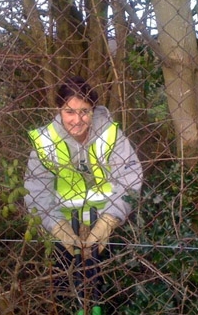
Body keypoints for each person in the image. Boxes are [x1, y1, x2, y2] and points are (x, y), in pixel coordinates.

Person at [24, 76, 143, 262]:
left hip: (111, 229)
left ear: (93, 110)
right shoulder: (45, 141)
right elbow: (36, 190)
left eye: (84, 111)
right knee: (65, 288)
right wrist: (58, 228)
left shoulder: (111, 135)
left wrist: (109, 222)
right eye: (69, 112)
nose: (77, 120)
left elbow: (130, 178)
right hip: (63, 232)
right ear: (58, 110)